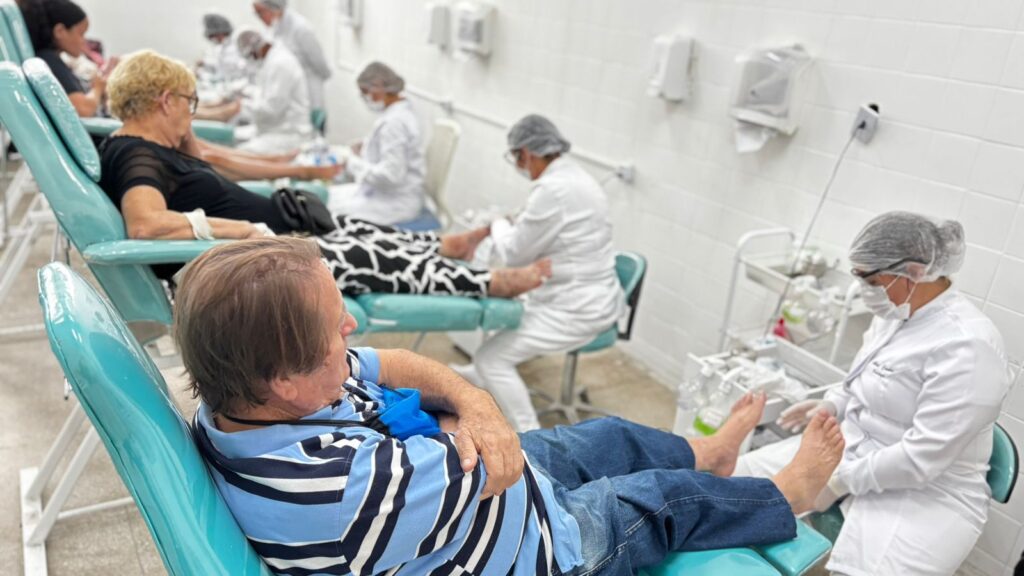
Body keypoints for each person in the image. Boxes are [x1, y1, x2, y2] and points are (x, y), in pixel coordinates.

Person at [182, 236, 848, 576]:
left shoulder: (246, 401)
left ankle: (712, 452)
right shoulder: (346, 493)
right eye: (336, 328)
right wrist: (472, 416)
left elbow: (393, 364)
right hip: (542, 549)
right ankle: (788, 494)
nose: (352, 330)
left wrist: (468, 402)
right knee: (660, 498)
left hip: (485, 492)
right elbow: (494, 466)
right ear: (285, 378)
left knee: (607, 435)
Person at [100, 50, 546, 299]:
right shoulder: (137, 155)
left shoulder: (153, 147)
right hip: (250, 262)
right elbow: (146, 224)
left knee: (353, 226)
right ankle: (487, 283)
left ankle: (446, 245)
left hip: (267, 240)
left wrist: (187, 138)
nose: (192, 112)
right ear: (166, 101)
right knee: (364, 254)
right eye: (190, 102)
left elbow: (204, 166)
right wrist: (243, 229)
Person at [734, 211, 1012, 576]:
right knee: (736, 483)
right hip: (851, 447)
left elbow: (922, 458)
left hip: (928, 492)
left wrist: (837, 483)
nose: (864, 290)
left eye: (870, 280)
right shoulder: (894, 313)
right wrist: (833, 403)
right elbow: (863, 378)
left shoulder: (968, 346)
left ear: (913, 272)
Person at [451, 115, 623, 432]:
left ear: (527, 153)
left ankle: (530, 434)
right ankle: (479, 375)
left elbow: (513, 254)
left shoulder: (553, 190)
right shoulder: (578, 178)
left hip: (576, 308)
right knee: (503, 322)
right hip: (590, 293)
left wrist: (497, 224)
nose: (519, 165)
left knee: (492, 358)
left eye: (517, 157)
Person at [326, 62, 427, 226]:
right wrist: (367, 146)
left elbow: (390, 176)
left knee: (324, 212)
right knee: (328, 197)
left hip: (394, 203)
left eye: (365, 92)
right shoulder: (400, 113)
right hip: (384, 195)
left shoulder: (394, 123)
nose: (365, 98)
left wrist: (351, 163)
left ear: (379, 87)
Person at [17, 0, 113, 117]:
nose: (84, 41)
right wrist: (98, 88)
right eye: (81, 34)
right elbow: (83, 109)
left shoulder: (46, 58)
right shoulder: (49, 61)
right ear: (60, 31)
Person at [253, 0, 331, 127]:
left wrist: (299, 75)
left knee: (309, 132)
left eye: (260, 12)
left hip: (309, 96)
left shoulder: (301, 29)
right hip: (287, 102)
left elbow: (323, 68)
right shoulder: (274, 29)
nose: (259, 17)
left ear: (273, 7)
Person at [197, 13, 248, 85]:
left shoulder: (236, 46)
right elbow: (220, 66)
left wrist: (203, 75)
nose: (213, 39)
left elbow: (230, 70)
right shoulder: (222, 47)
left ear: (221, 32)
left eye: (213, 35)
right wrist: (204, 64)